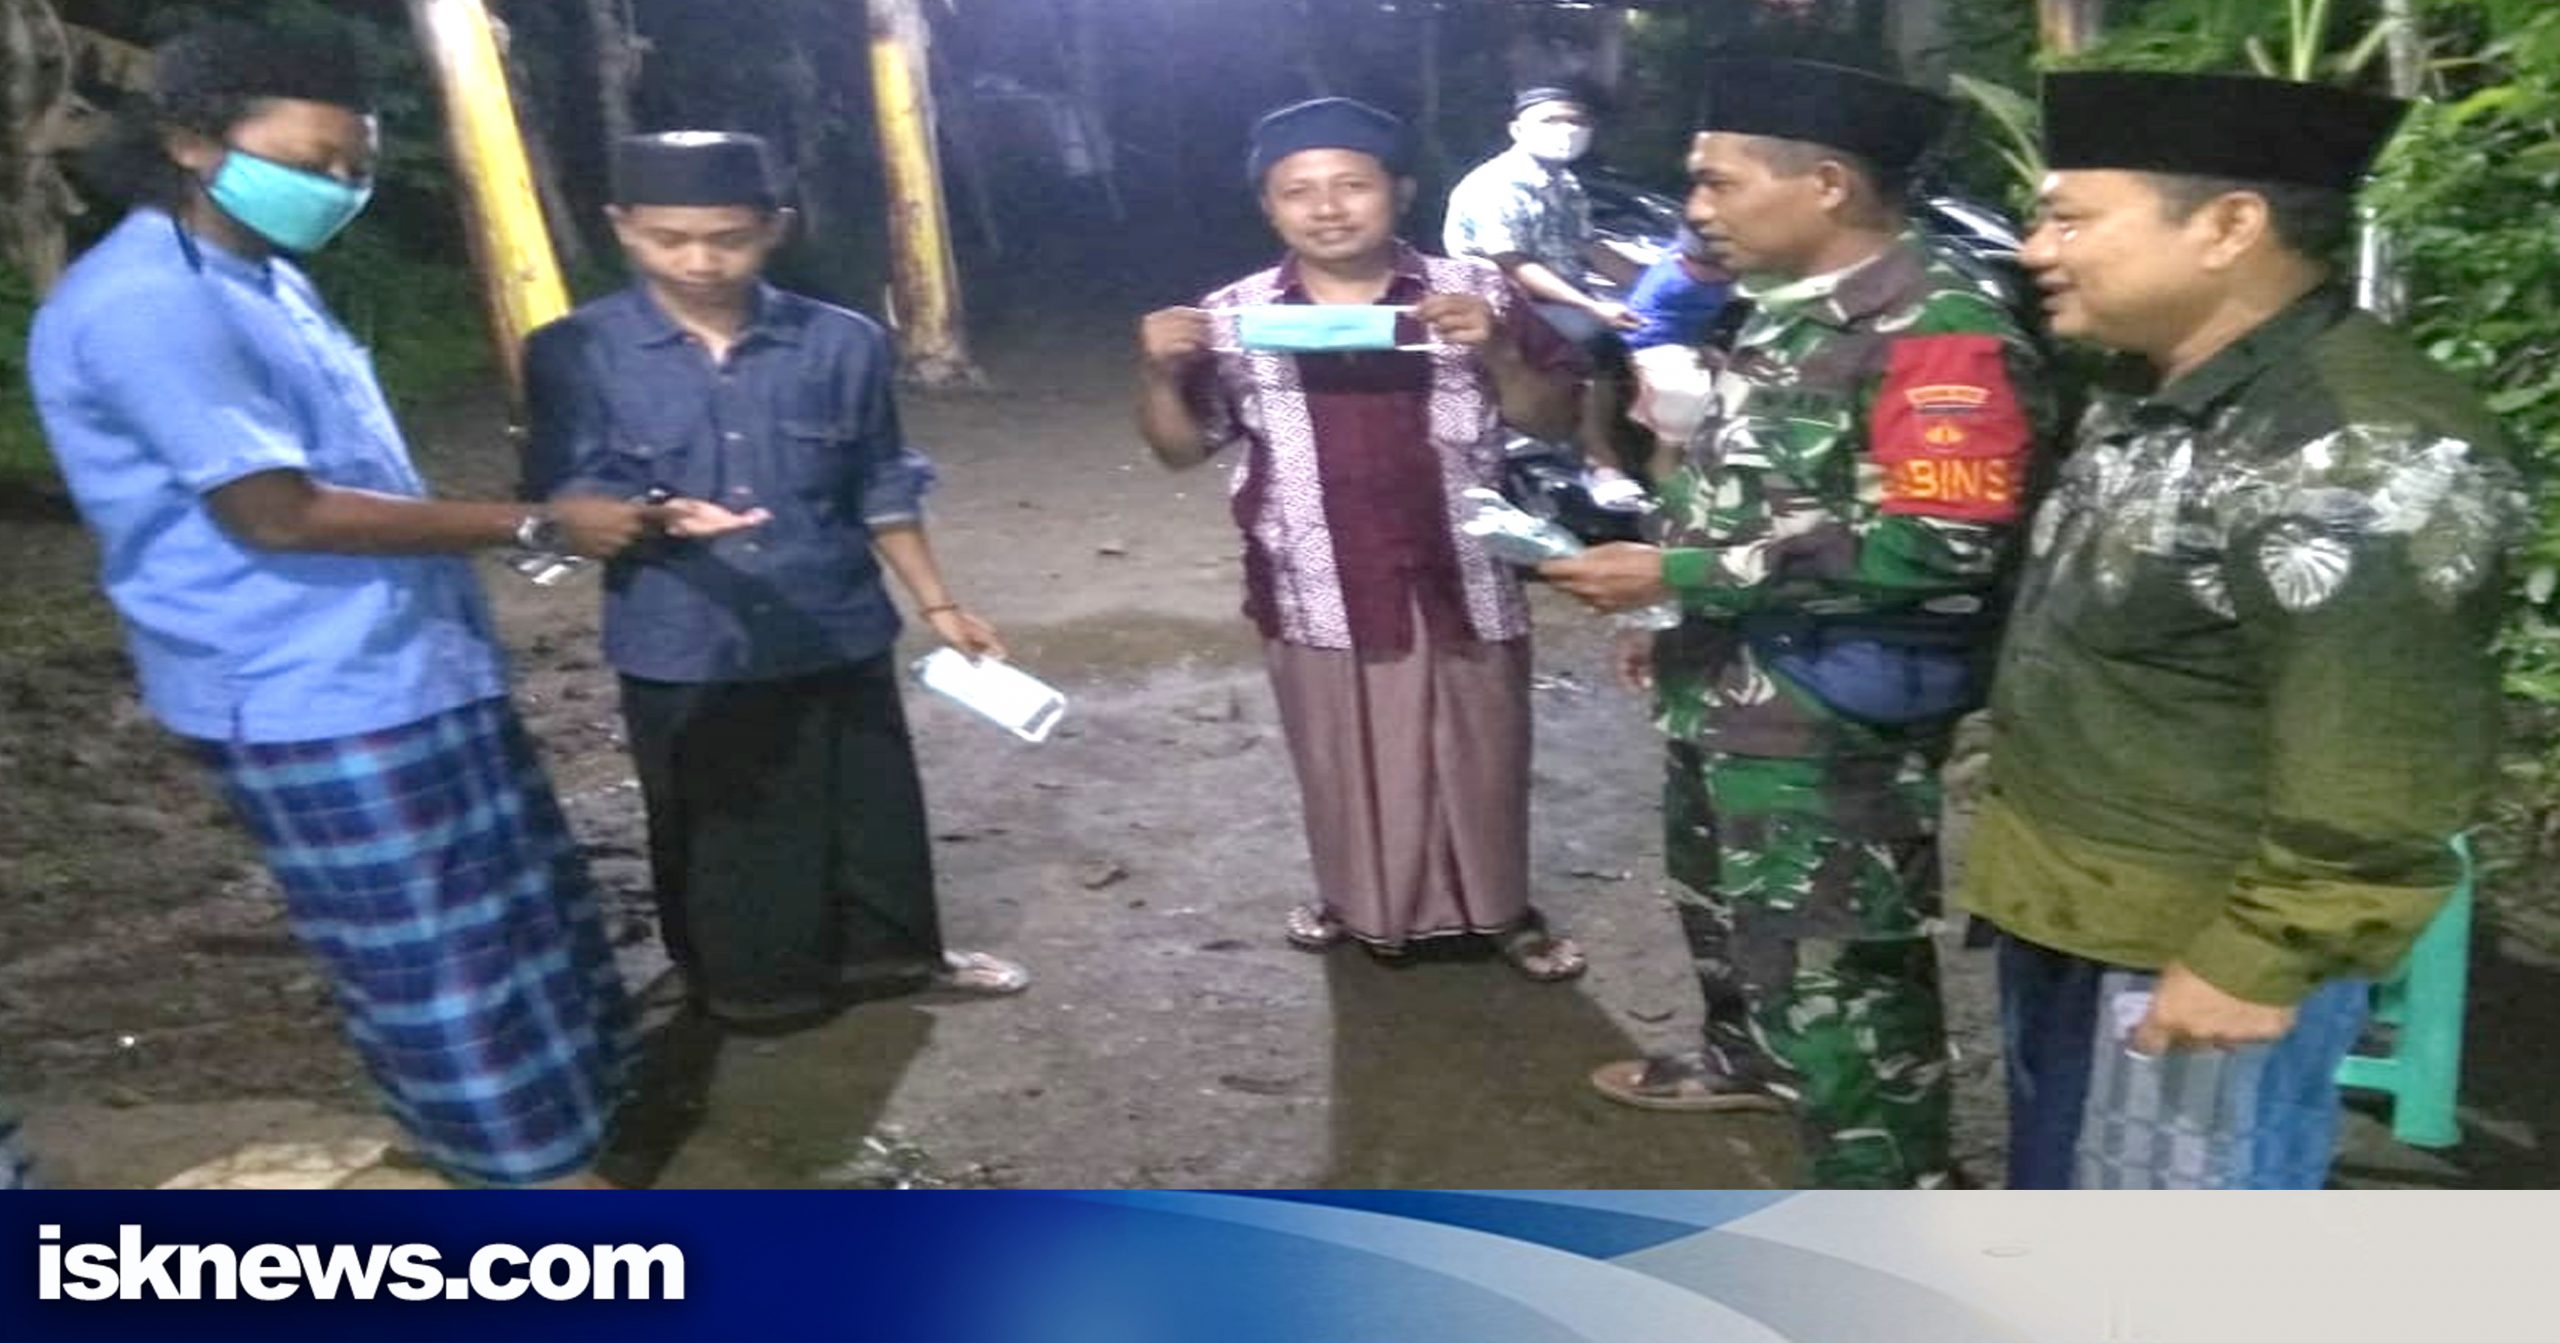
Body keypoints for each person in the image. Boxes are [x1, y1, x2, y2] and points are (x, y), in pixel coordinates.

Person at [25, 22, 738, 1188]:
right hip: (302, 687)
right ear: (195, 143)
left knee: (520, 909)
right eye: (312, 162)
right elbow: (278, 513)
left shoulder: (263, 276)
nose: (340, 188)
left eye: (356, 166)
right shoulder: (147, 303)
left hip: (406, 658)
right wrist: (536, 523)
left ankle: (574, 1119)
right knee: (435, 953)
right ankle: (525, 1184)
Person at [1962, 71, 2523, 1189]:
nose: (2035, 250)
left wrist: (2262, 953)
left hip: (2192, 940)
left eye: (2070, 219)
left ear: (2228, 226)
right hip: (2084, 908)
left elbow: (2384, 745)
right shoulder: (2158, 385)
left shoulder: (2359, 447)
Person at [1541, 59, 2056, 1187]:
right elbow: (1754, 489)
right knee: (1739, 922)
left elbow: (1942, 547)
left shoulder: (1940, 333)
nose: (1696, 208)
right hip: (1732, 680)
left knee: (1839, 975)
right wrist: (1674, 607)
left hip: (1832, 713)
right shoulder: (1785, 309)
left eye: (1719, 182)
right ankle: (1755, 1063)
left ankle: (1894, 1197)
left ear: (1827, 184)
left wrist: (1684, 569)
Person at [522, 132, 1028, 1031]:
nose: (699, 261)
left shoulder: (843, 343)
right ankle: (743, 985)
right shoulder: (573, 350)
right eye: (668, 239)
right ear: (622, 227)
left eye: (728, 238)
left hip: (831, 618)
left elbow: (880, 483)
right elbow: (565, 492)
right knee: (715, 821)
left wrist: (939, 604)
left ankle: (892, 959)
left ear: (773, 228)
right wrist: (644, 514)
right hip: (682, 633)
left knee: (865, 805)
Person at [1135, 97, 1587, 978]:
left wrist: (1498, 352)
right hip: (1316, 581)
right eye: (1297, 191)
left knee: (1484, 756)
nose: (1327, 208)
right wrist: (1156, 373)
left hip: (1465, 572)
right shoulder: (1233, 313)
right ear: (1269, 208)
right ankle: (1356, 901)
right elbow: (1180, 449)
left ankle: (1502, 912)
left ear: (1400, 191)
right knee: (1339, 756)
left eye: (1352, 184)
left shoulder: (1479, 292)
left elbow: (1557, 418)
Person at [1443, 86, 1644, 491]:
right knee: (1595, 338)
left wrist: (1654, 287)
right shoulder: (1496, 185)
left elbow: (1588, 246)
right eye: (1552, 120)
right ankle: (1599, 460)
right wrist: (1593, 307)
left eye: (1576, 121)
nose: (1567, 129)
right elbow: (1513, 264)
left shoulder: (1564, 183)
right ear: (1517, 130)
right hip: (1504, 300)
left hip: (1558, 295)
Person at [1621, 224, 1736, 483]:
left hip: (1684, 341)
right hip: (1656, 349)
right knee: (1677, 432)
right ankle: (1668, 492)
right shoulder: (1685, 284)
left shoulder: (1679, 255)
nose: (1725, 271)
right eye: (1715, 266)